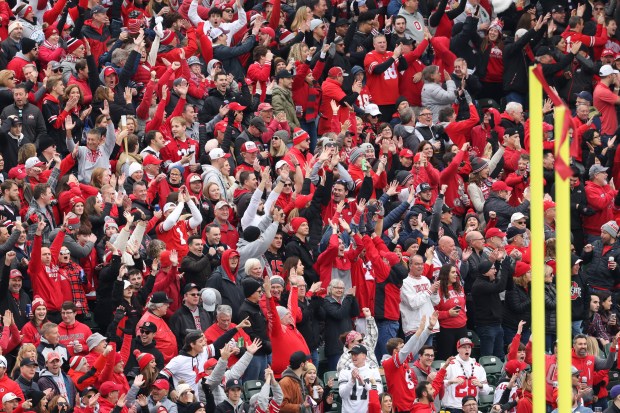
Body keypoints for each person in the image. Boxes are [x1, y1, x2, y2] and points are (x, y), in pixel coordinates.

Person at [338, 344, 383, 413]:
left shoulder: (373, 371)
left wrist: (365, 385)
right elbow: (343, 395)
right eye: (352, 354)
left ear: (364, 356)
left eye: (356, 354)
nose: (353, 356)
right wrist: (352, 381)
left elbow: (379, 393)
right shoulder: (344, 371)